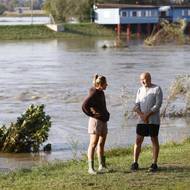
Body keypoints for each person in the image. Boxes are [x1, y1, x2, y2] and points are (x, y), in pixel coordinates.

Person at [131, 72, 163, 172]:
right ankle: (135, 162)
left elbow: (158, 105)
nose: (143, 81)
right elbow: (136, 105)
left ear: (150, 78)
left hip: (153, 120)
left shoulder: (157, 88)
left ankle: (154, 164)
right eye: (142, 80)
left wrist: (147, 115)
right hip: (141, 121)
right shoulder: (139, 90)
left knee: (154, 140)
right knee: (138, 141)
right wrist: (142, 115)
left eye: (145, 79)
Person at [82, 74, 110, 175]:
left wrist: (106, 114)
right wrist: (92, 115)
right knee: (93, 144)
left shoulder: (101, 92)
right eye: (105, 83)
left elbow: (101, 106)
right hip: (96, 122)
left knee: (101, 144)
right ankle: (90, 168)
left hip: (103, 121)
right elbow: (84, 105)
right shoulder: (93, 92)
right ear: (100, 84)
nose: (107, 85)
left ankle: (102, 165)